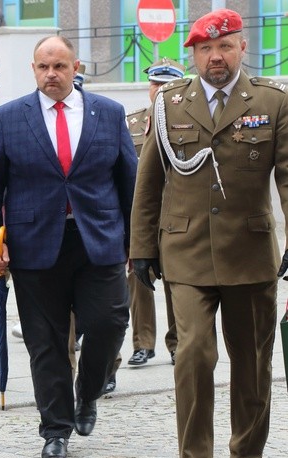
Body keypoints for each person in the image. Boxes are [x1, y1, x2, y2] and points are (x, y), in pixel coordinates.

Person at [131, 9, 287, 458]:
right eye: (204, 49)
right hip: (186, 254)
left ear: (242, 48)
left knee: (252, 365)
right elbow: (149, 182)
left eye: (224, 48)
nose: (214, 58)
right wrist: (141, 251)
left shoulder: (272, 102)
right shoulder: (171, 103)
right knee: (193, 356)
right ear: (193, 54)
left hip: (250, 254)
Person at [0, 36, 136, 458]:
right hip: (34, 246)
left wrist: (135, 242)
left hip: (97, 240)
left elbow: (129, 183)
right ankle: (55, 428)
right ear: (33, 69)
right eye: (44, 67)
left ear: (75, 67)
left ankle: (88, 394)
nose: (52, 74)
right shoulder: (10, 118)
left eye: (60, 66)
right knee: (44, 341)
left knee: (108, 322)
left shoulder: (109, 112)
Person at [123, 58, 183, 370]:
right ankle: (143, 343)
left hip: (176, 215)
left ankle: (177, 342)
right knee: (138, 279)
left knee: (177, 281)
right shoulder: (131, 123)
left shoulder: (188, 121)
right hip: (141, 218)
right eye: (155, 83)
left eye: (167, 84)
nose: (159, 90)